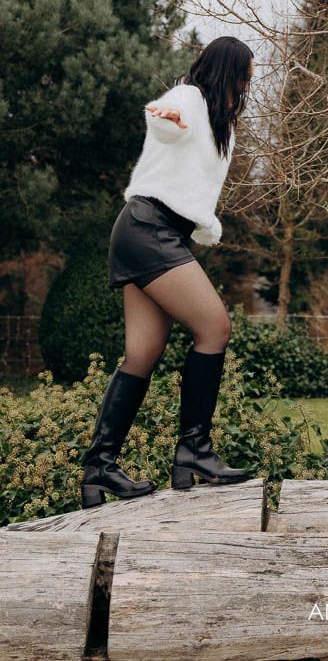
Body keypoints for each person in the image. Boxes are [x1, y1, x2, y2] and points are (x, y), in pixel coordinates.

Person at [80, 36, 255, 508]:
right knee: (215, 326)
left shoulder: (219, 122)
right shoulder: (189, 97)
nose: (246, 84)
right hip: (148, 226)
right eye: (243, 75)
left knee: (142, 351)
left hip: (153, 229)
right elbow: (161, 116)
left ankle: (100, 468)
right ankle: (194, 450)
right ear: (225, 71)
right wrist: (167, 119)